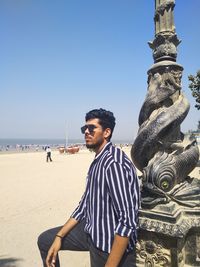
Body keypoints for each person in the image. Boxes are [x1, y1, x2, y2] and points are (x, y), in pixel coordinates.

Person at [38, 108, 140, 267]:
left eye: (92, 128)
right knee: (46, 241)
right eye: (84, 128)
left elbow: (127, 221)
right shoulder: (98, 161)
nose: (86, 131)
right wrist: (59, 236)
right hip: (91, 232)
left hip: (108, 245)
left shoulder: (114, 164)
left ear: (106, 132)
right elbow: (83, 206)